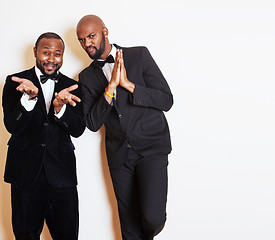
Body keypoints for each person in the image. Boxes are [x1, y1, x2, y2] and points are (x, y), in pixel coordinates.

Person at [76, 15, 173, 240]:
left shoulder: (139, 55)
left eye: (91, 36)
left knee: (152, 218)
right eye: (81, 40)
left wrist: (128, 85)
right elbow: (91, 122)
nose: (87, 44)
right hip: (119, 156)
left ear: (105, 32)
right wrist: (109, 89)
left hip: (151, 148)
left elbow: (166, 100)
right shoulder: (86, 77)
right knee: (129, 227)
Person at [2, 32, 86, 240]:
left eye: (57, 54)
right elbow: (11, 125)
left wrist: (60, 109)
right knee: (25, 235)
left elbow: (78, 129)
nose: (51, 59)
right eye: (46, 52)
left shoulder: (73, 87)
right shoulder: (14, 82)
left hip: (62, 174)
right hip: (25, 174)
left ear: (63, 56)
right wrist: (28, 100)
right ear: (35, 52)